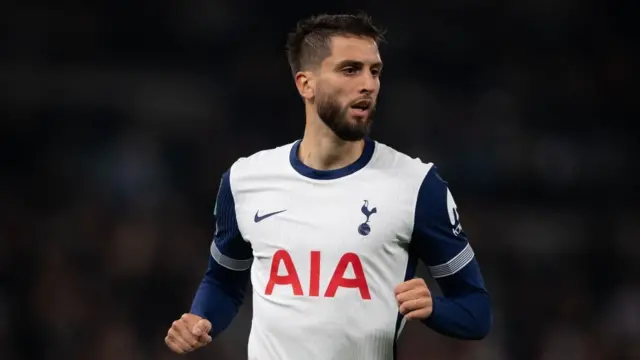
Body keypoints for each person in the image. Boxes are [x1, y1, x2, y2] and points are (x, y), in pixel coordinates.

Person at [165, 12, 492, 359]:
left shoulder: (416, 186)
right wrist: (200, 320)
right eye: (350, 69)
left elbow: (476, 311)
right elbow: (224, 281)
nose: (368, 83)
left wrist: (434, 308)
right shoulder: (245, 180)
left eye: (375, 71)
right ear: (306, 84)